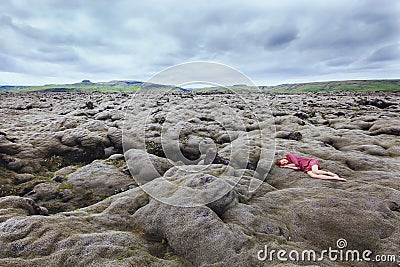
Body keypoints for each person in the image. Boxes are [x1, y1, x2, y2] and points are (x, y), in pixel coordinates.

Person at [275, 153, 346, 182]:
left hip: (310, 162)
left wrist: (289, 165)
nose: (285, 162)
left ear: (282, 158)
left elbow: (297, 164)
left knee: (316, 171)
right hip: (305, 168)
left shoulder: (289, 155)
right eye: (283, 163)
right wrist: (287, 166)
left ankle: (331, 174)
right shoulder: (289, 164)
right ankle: (335, 178)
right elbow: (298, 168)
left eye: (283, 161)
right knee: (313, 175)